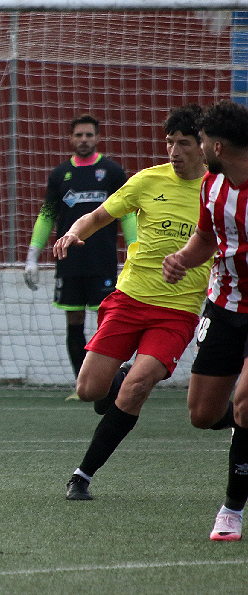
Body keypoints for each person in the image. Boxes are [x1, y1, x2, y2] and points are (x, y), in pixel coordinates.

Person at [53, 105, 210, 501]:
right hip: (129, 299)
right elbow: (97, 216)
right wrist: (73, 232)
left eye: (183, 143)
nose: (174, 151)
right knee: (89, 390)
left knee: (137, 387)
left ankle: (82, 476)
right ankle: (118, 376)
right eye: (170, 142)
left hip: (177, 311)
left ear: (203, 146)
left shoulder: (218, 190)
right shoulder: (147, 180)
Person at [162, 99, 248, 541]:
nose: (194, 149)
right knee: (202, 414)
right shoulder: (211, 185)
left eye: (199, 141)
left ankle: (231, 510)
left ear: (216, 146)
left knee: (245, 403)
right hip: (224, 308)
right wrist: (182, 258)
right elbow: (205, 238)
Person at [24, 115, 135, 400]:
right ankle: (81, 386)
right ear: (71, 139)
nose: (84, 140)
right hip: (69, 263)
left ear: (97, 138)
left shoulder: (112, 172)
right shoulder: (60, 175)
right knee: (73, 323)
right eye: (79, 135)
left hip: (102, 262)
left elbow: (127, 215)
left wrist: (136, 249)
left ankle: (109, 386)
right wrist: (32, 255)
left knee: (106, 326)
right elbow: (47, 215)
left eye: (88, 135)